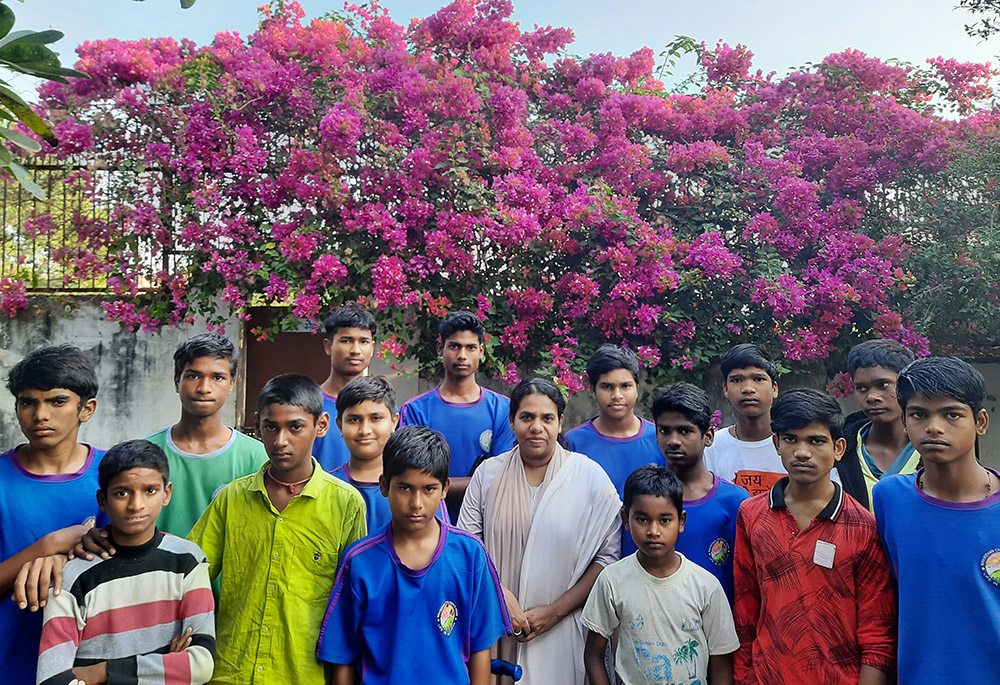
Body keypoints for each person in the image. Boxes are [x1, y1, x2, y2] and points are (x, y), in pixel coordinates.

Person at [188, 374, 366, 683]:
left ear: (321, 425)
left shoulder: (346, 504)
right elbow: (190, 574)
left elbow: (352, 607)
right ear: (258, 425)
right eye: (271, 427)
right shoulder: (232, 499)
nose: (281, 440)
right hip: (231, 671)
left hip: (304, 674)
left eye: (295, 427)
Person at [457, 378, 621, 685]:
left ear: (560, 422)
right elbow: (466, 546)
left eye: (547, 418)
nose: (536, 427)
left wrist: (555, 611)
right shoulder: (488, 475)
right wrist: (500, 596)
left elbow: (608, 559)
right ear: (512, 421)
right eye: (527, 417)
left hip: (566, 627)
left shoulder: (590, 478)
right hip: (498, 626)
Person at [318, 426, 511, 684]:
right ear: (385, 486)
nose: (416, 502)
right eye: (405, 488)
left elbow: (480, 649)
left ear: (445, 489)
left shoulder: (470, 555)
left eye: (429, 489)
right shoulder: (360, 561)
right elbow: (343, 657)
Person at [733, 388, 895, 684]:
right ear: (776, 443)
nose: (802, 452)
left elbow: (877, 636)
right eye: (791, 439)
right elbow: (745, 614)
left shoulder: (864, 527)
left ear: (839, 448)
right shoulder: (751, 515)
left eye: (816, 440)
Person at [35, 439, 215, 685]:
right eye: (122, 493)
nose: (136, 505)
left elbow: (201, 666)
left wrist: (101, 672)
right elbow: (52, 680)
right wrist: (165, 666)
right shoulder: (72, 576)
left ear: (167, 493)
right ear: (102, 500)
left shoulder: (188, 561)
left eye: (150, 490)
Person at [873, 357, 1000, 684]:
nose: (934, 427)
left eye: (952, 414)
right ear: (904, 421)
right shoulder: (890, 498)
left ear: (980, 422)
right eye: (919, 414)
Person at [0, 346, 106, 683]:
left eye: (57, 401)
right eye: (28, 402)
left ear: (85, 408)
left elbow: (135, 574)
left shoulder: (118, 477)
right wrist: (48, 547)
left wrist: (67, 563)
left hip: (87, 665)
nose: (40, 415)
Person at [582, 465, 739, 685]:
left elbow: (721, 665)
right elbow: (593, 654)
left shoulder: (706, 587)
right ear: (626, 520)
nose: (653, 531)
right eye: (642, 519)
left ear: (681, 521)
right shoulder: (612, 580)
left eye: (664, 520)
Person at [146, 334, 267, 536]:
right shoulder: (146, 453)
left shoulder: (256, 458)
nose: (204, 388)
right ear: (177, 381)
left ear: (232, 385)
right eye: (194, 376)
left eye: (217, 377)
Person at [399, 311, 516, 519]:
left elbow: (500, 479)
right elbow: (413, 479)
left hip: (485, 525)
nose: (462, 355)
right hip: (428, 524)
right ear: (440, 349)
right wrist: (475, 482)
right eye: (454, 346)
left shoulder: (503, 410)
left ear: (481, 351)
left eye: (470, 347)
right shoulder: (415, 410)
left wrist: (435, 486)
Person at [652, 383, 748, 604]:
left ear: (708, 436)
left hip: (716, 631)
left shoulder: (735, 502)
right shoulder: (644, 499)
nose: (673, 441)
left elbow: (746, 580)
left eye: (685, 431)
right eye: (665, 431)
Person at [566, 344, 664, 557]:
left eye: (625, 386)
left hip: (651, 558)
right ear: (593, 390)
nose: (617, 395)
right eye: (607, 387)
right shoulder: (574, 444)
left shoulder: (660, 439)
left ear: (637, 388)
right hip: (591, 559)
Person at [330, 376, 448, 532]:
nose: (365, 430)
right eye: (354, 419)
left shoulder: (418, 486)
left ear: (394, 422)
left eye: (376, 418)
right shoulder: (328, 488)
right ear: (340, 425)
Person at [837, 339, 919, 511]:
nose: (871, 397)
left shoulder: (932, 447)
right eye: (861, 388)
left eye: (883, 385)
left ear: (908, 386)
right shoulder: (839, 450)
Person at [314, 303, 378, 471]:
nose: (355, 350)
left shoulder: (384, 409)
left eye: (363, 341)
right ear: (329, 346)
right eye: (346, 340)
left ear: (372, 348)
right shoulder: (309, 405)